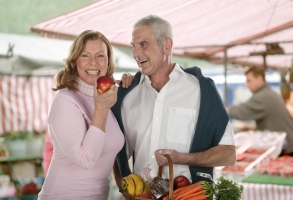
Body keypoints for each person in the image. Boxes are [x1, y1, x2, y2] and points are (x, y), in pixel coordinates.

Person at [111, 15, 236, 187]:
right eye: (134, 46)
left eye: (143, 44)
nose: (135, 53)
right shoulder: (127, 95)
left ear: (167, 45)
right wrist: (124, 191)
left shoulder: (202, 90)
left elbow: (228, 154)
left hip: (189, 196)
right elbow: (118, 156)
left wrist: (182, 158)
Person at [38, 30, 132, 200]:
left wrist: (129, 87)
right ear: (75, 61)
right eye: (85, 55)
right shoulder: (65, 100)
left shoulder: (108, 98)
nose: (93, 63)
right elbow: (86, 160)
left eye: (100, 56)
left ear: (108, 62)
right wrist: (101, 109)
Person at [227, 67, 293, 155]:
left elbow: (241, 111)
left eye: (249, 81)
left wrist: (218, 110)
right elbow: (272, 122)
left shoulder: (263, 96)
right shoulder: (268, 93)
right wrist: (252, 127)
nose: (246, 85)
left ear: (259, 79)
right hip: (289, 146)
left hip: (289, 149)